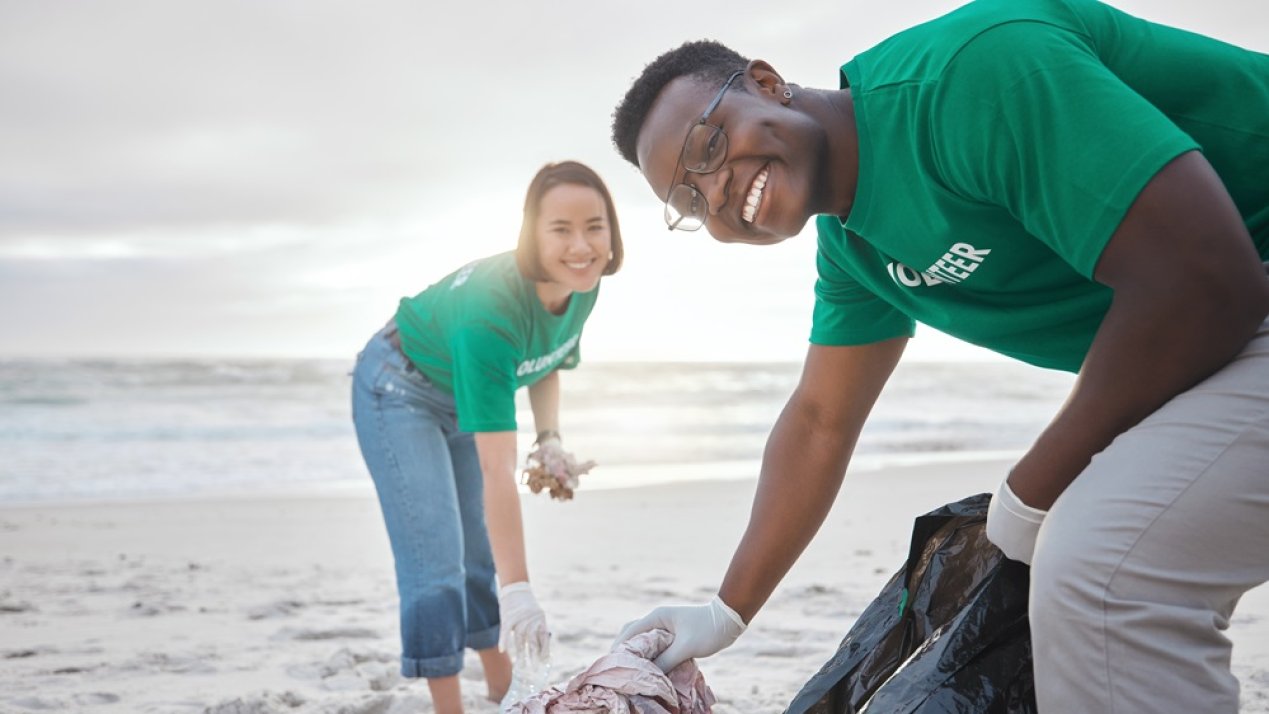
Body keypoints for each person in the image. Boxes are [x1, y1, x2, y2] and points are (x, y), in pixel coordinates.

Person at [608, 1, 1269, 711]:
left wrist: (1030, 490)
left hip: (1233, 289)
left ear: (766, 83)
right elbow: (820, 419)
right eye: (688, 198)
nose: (715, 192)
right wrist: (726, 610)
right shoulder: (856, 247)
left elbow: (1203, 281)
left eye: (708, 148)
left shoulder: (965, 77)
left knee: (1098, 564)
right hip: (1225, 328)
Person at [350, 160, 623, 714]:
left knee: (479, 550)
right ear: (531, 235)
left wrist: (549, 439)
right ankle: (448, 706)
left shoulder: (583, 285)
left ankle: (502, 687)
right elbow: (499, 472)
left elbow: (548, 361)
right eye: (560, 229)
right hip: (398, 388)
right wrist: (520, 593)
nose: (581, 246)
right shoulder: (491, 314)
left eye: (595, 226)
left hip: (460, 389)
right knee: (437, 558)